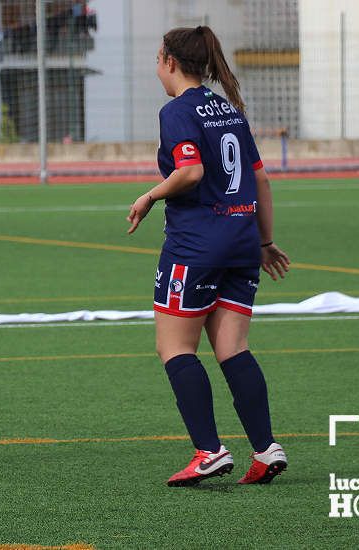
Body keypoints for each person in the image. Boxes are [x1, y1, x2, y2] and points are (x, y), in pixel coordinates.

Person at [126, 26, 291, 487]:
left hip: (196, 245)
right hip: (241, 243)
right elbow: (260, 180)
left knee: (175, 347)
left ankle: (209, 451)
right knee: (233, 348)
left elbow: (191, 171)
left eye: (157, 58)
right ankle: (265, 447)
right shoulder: (229, 110)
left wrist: (149, 196)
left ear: (169, 61)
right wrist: (264, 241)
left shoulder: (177, 110)